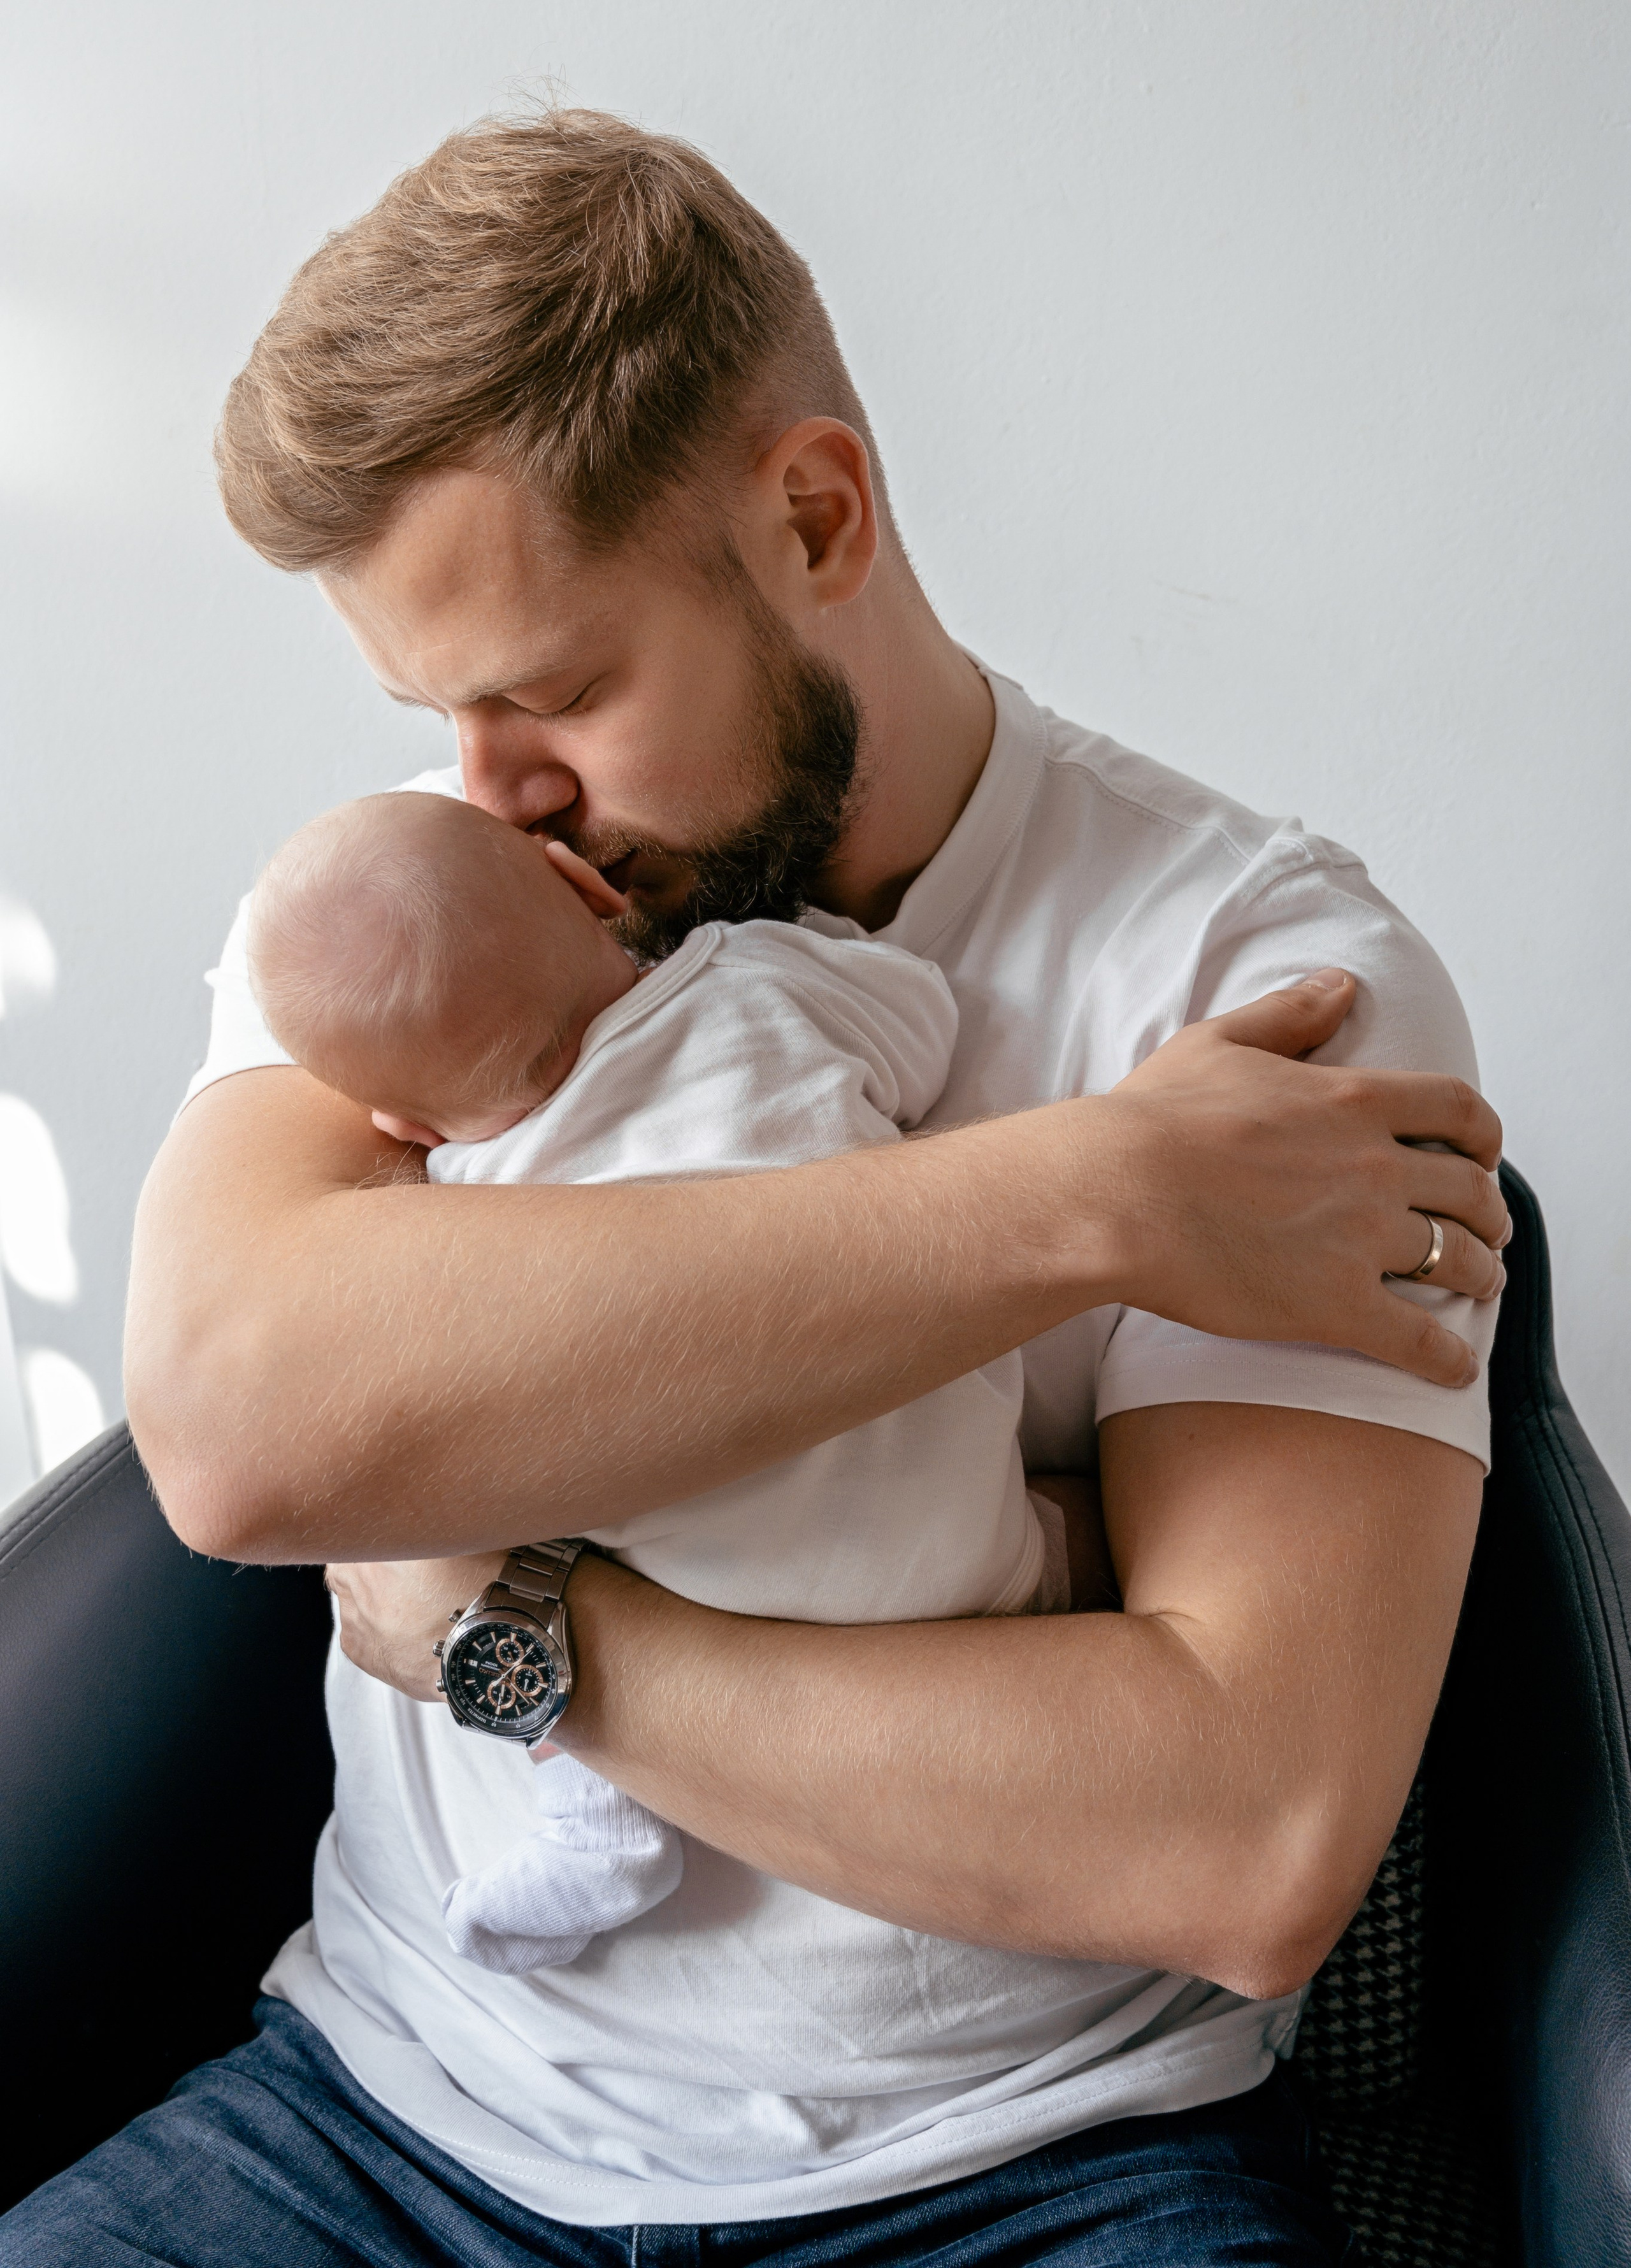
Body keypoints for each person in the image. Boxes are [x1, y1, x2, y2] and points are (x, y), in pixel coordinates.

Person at [10, 110, 1510, 2264]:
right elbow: (239, 1431)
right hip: (390, 2120)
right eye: (437, 715)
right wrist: (1090, 1197)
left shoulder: (1257, 985)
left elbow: (1243, 1834)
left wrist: (513, 1630)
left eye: (558, 694)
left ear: (816, 517)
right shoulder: (425, 912)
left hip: (1028, 2168)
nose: (490, 794)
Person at [240, 785, 1077, 1976]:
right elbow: (923, 1026)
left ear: (402, 1120)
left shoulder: (471, 1205)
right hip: (969, 1556)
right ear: (586, 891)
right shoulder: (759, 983)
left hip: (701, 1599)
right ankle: (1032, 1570)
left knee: (551, 1485)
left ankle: (599, 1814)